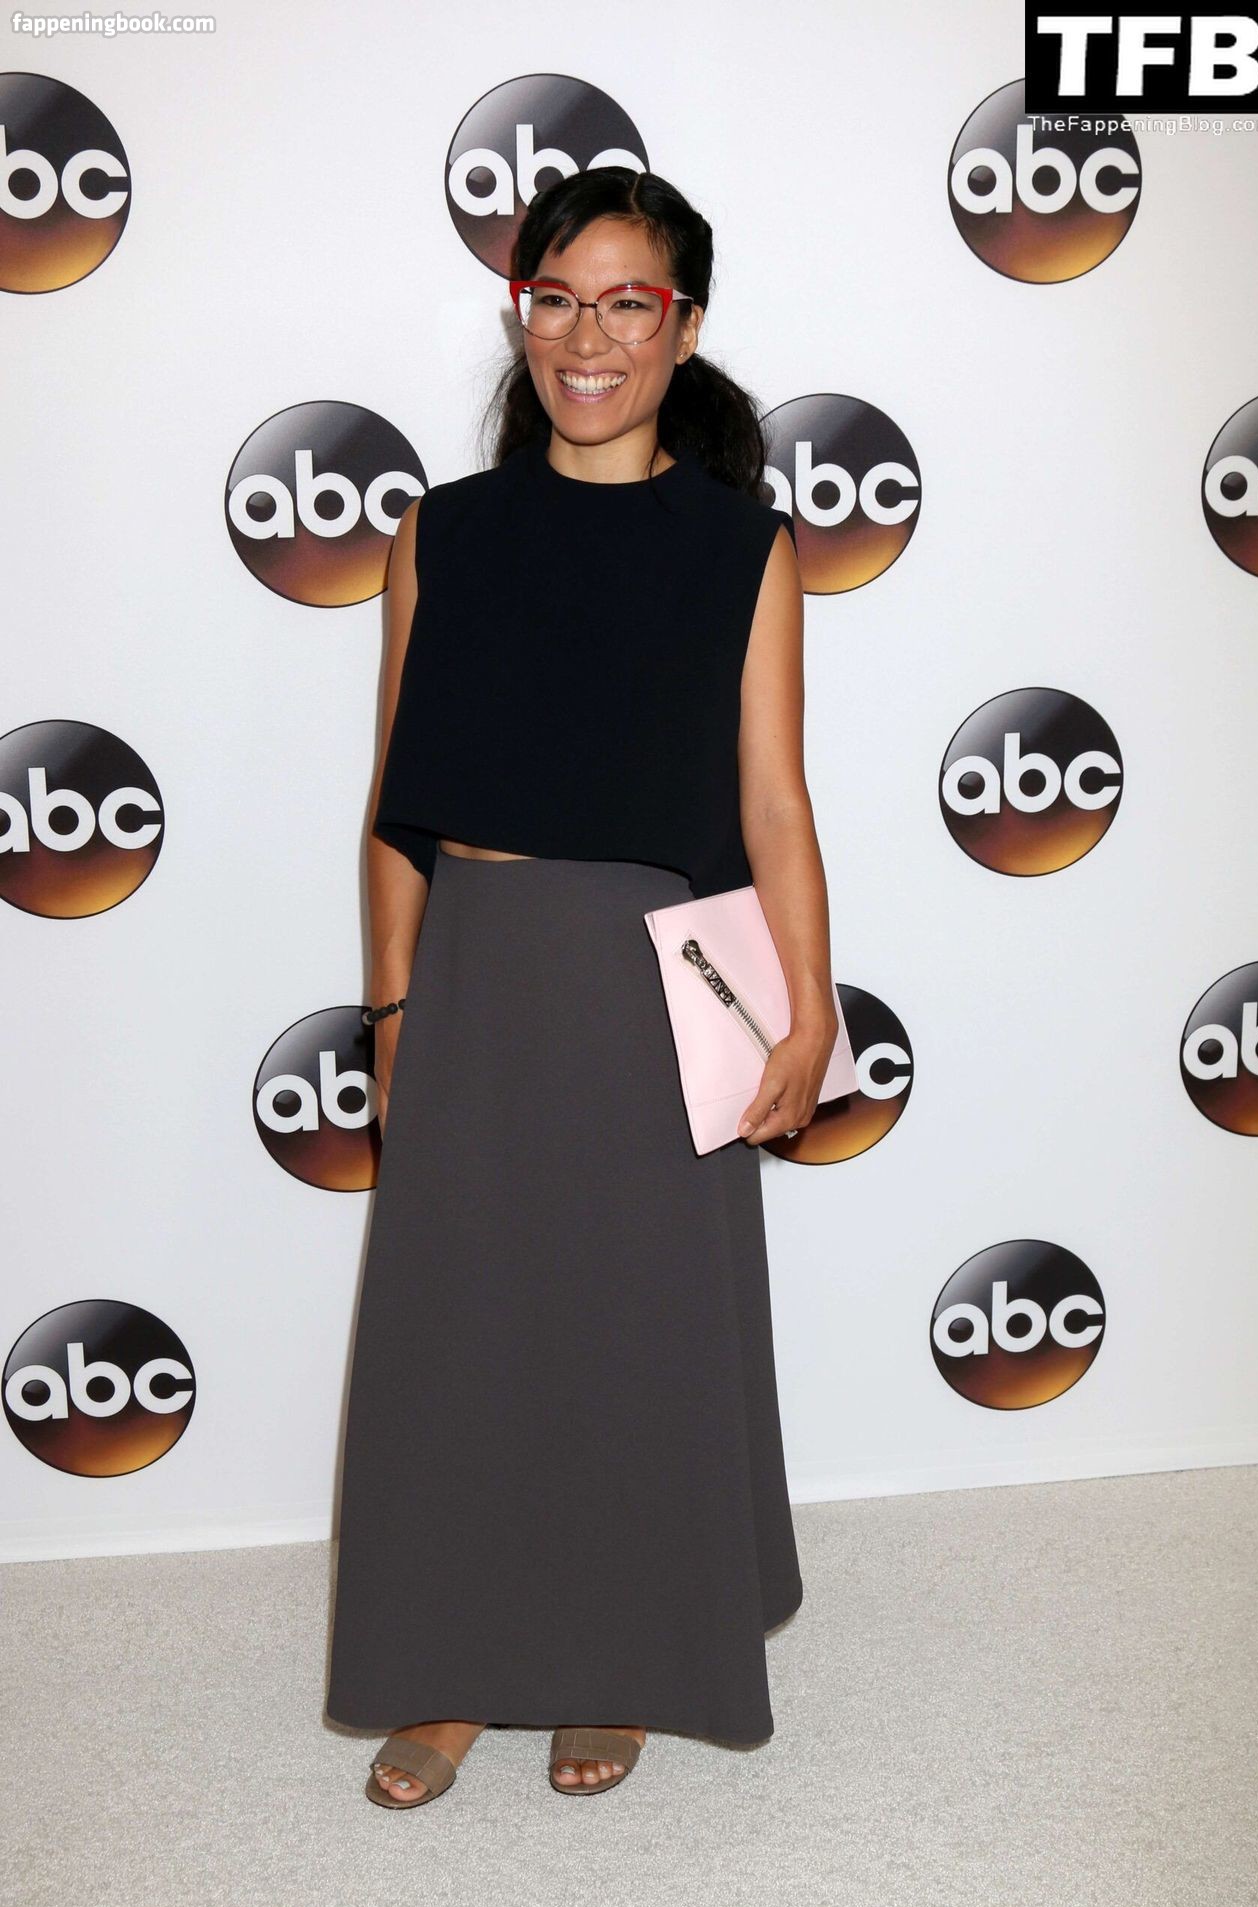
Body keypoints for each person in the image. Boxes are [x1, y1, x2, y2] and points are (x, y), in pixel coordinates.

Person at [325, 165, 839, 1803]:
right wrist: (394, 1008)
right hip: (478, 973)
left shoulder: (744, 548)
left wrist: (811, 1003)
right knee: (460, 1333)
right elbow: (397, 801)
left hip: (663, 977)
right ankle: (447, 1670)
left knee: (635, 1330)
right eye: (557, 299)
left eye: (628, 303)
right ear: (518, 316)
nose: (589, 336)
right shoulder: (445, 533)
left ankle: (618, 1656)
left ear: (684, 327)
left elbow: (774, 803)